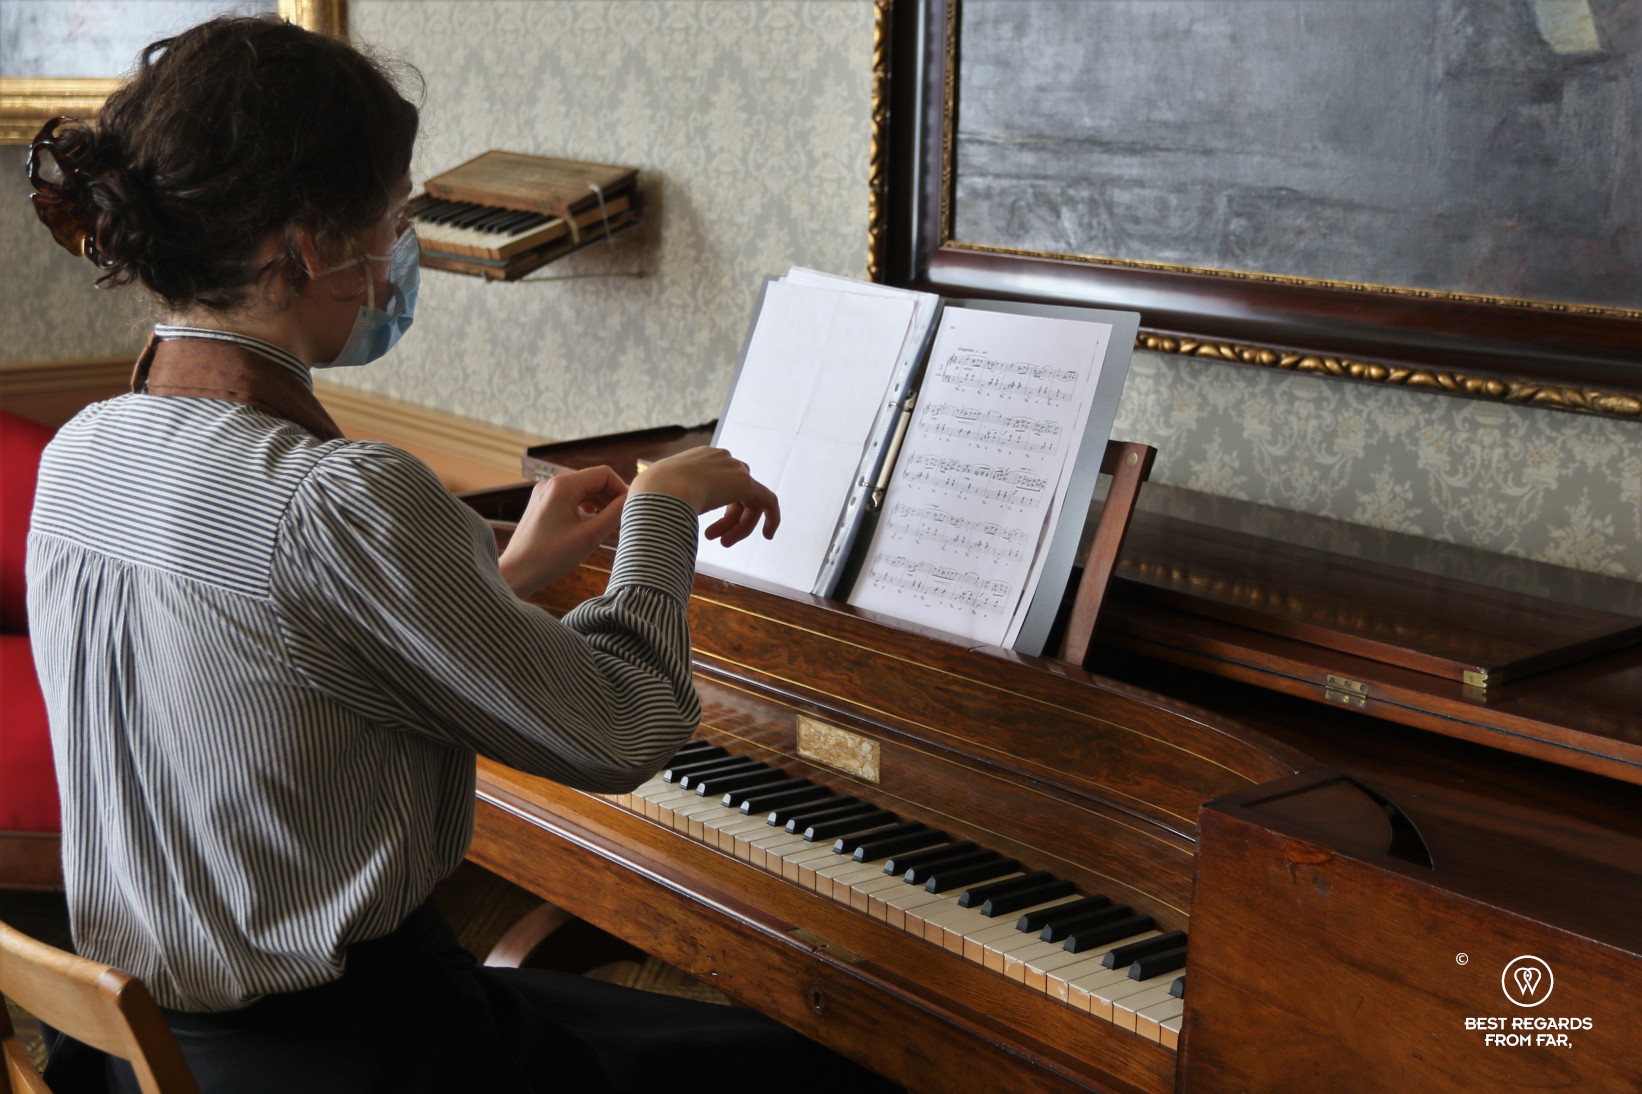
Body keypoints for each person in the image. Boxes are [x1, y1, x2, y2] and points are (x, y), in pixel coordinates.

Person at [24, 15, 897, 1094]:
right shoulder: (338, 496)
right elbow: (623, 725)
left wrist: (505, 569)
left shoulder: (84, 452)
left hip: (149, 1051)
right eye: (395, 218)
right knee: (826, 1071)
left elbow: (275, 640)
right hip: (360, 1054)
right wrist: (664, 505)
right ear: (306, 246)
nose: (400, 251)